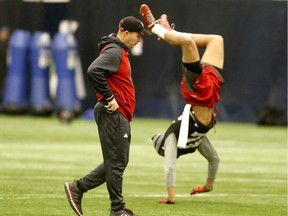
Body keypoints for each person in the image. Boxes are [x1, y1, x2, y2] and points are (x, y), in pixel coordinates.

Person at [64, 16, 149, 216]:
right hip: (112, 112)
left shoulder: (118, 50)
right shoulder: (115, 50)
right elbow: (94, 70)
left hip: (118, 114)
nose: (139, 40)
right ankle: (117, 209)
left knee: (117, 161)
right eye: (138, 36)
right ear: (126, 33)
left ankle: (78, 188)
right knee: (117, 163)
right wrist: (110, 97)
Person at [139, 4, 224, 204]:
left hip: (201, 92)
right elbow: (172, 167)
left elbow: (213, 159)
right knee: (210, 40)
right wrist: (173, 198)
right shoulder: (176, 137)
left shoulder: (188, 137)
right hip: (205, 92)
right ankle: (162, 30)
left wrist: (206, 186)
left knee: (198, 41)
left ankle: (162, 30)